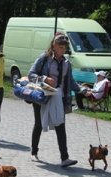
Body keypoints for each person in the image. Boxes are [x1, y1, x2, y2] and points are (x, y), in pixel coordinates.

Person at [28, 33, 81, 168]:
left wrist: (84, 90)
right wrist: (45, 79)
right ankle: (34, 151)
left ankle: (65, 158)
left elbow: (71, 81)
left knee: (60, 125)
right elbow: (31, 75)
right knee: (39, 124)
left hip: (59, 97)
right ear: (54, 45)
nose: (62, 50)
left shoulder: (66, 63)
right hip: (42, 96)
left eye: (64, 47)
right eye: (60, 46)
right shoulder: (44, 58)